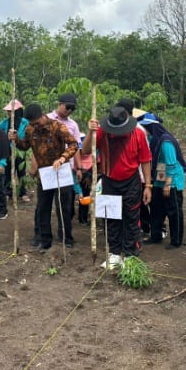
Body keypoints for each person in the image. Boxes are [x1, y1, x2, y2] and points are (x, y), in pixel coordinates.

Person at [82, 104, 152, 266]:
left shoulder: (138, 134)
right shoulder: (102, 132)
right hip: (109, 180)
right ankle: (114, 253)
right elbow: (85, 150)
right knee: (111, 217)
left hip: (131, 181)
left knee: (131, 217)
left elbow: (145, 160)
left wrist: (148, 185)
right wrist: (91, 132)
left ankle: (130, 254)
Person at [9, 102, 78, 251]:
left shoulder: (57, 127)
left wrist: (62, 158)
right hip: (45, 174)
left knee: (63, 207)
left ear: (42, 116)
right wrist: (15, 140)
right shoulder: (30, 129)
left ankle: (66, 238)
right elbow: (25, 146)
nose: (35, 126)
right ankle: (45, 240)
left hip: (61, 172)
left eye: (37, 123)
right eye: (32, 124)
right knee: (43, 208)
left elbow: (74, 145)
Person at [139, 114, 186, 249]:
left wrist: (168, 184)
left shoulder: (166, 141)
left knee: (173, 211)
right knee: (156, 208)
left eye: (145, 127)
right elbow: (159, 162)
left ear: (151, 127)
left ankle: (176, 240)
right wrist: (158, 183)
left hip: (173, 180)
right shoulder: (153, 140)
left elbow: (171, 163)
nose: (144, 130)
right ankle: (156, 235)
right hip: (161, 176)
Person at [46, 92, 83, 246]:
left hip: (66, 168)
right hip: (47, 166)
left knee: (65, 204)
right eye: (67, 107)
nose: (69, 111)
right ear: (60, 104)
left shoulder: (73, 125)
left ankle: (65, 236)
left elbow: (76, 147)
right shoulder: (47, 119)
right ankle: (42, 235)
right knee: (45, 203)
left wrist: (78, 168)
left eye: (72, 109)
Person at [0, 100, 30, 202]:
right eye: (8, 111)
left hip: (21, 151)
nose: (8, 113)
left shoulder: (25, 123)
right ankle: (7, 192)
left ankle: (23, 193)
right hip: (7, 151)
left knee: (21, 173)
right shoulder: (4, 123)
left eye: (10, 111)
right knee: (7, 173)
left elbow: (28, 137)